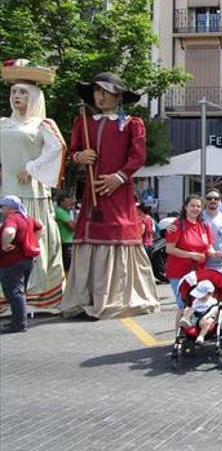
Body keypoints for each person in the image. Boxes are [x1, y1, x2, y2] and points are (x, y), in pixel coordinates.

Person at [60, 72, 159, 319]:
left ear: (119, 96)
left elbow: (138, 157)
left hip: (119, 191)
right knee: (89, 233)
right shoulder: (83, 121)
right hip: (93, 190)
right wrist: (79, 157)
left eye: (106, 91)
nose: (100, 96)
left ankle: (118, 297)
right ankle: (85, 296)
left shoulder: (132, 123)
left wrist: (119, 177)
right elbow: (72, 151)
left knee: (119, 231)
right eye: (97, 91)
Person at [1, 64, 66, 313]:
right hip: (5, 190)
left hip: (32, 194)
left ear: (35, 96)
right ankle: (9, 298)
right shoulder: (3, 123)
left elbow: (57, 149)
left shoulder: (43, 124)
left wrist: (31, 167)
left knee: (29, 244)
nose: (18, 96)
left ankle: (33, 296)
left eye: (24, 92)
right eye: (15, 92)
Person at [165, 195, 219, 326]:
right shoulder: (177, 225)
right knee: (183, 304)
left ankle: (191, 333)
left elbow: (209, 247)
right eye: (192, 206)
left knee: (196, 303)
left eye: (198, 206)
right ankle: (178, 337)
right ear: (186, 207)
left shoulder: (204, 225)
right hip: (179, 272)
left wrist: (214, 254)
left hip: (198, 273)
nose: (195, 209)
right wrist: (191, 255)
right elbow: (169, 249)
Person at [0, 196, 42, 333]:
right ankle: (18, 321)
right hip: (27, 260)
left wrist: (5, 243)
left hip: (12, 260)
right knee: (19, 292)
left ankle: (19, 324)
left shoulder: (12, 218)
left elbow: (10, 231)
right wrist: (33, 240)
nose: (1, 210)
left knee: (14, 292)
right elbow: (41, 227)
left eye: (3, 206)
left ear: (10, 207)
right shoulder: (26, 218)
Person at [178, 279, 220, 346]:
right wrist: (187, 312)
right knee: (188, 309)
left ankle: (201, 336)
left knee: (208, 321)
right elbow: (193, 309)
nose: (199, 297)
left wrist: (205, 317)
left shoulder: (212, 301)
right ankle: (185, 320)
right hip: (195, 317)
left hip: (207, 317)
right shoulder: (196, 301)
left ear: (209, 293)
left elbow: (214, 310)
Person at [202, 189, 222, 272]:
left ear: (219, 201)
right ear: (205, 200)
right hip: (201, 264)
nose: (213, 200)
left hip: (220, 265)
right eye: (209, 198)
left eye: (216, 198)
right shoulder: (199, 217)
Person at [54, 194, 76, 274]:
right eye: (68, 201)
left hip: (69, 241)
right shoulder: (60, 211)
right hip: (66, 242)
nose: (70, 203)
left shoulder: (67, 212)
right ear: (62, 202)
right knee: (67, 265)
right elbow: (72, 227)